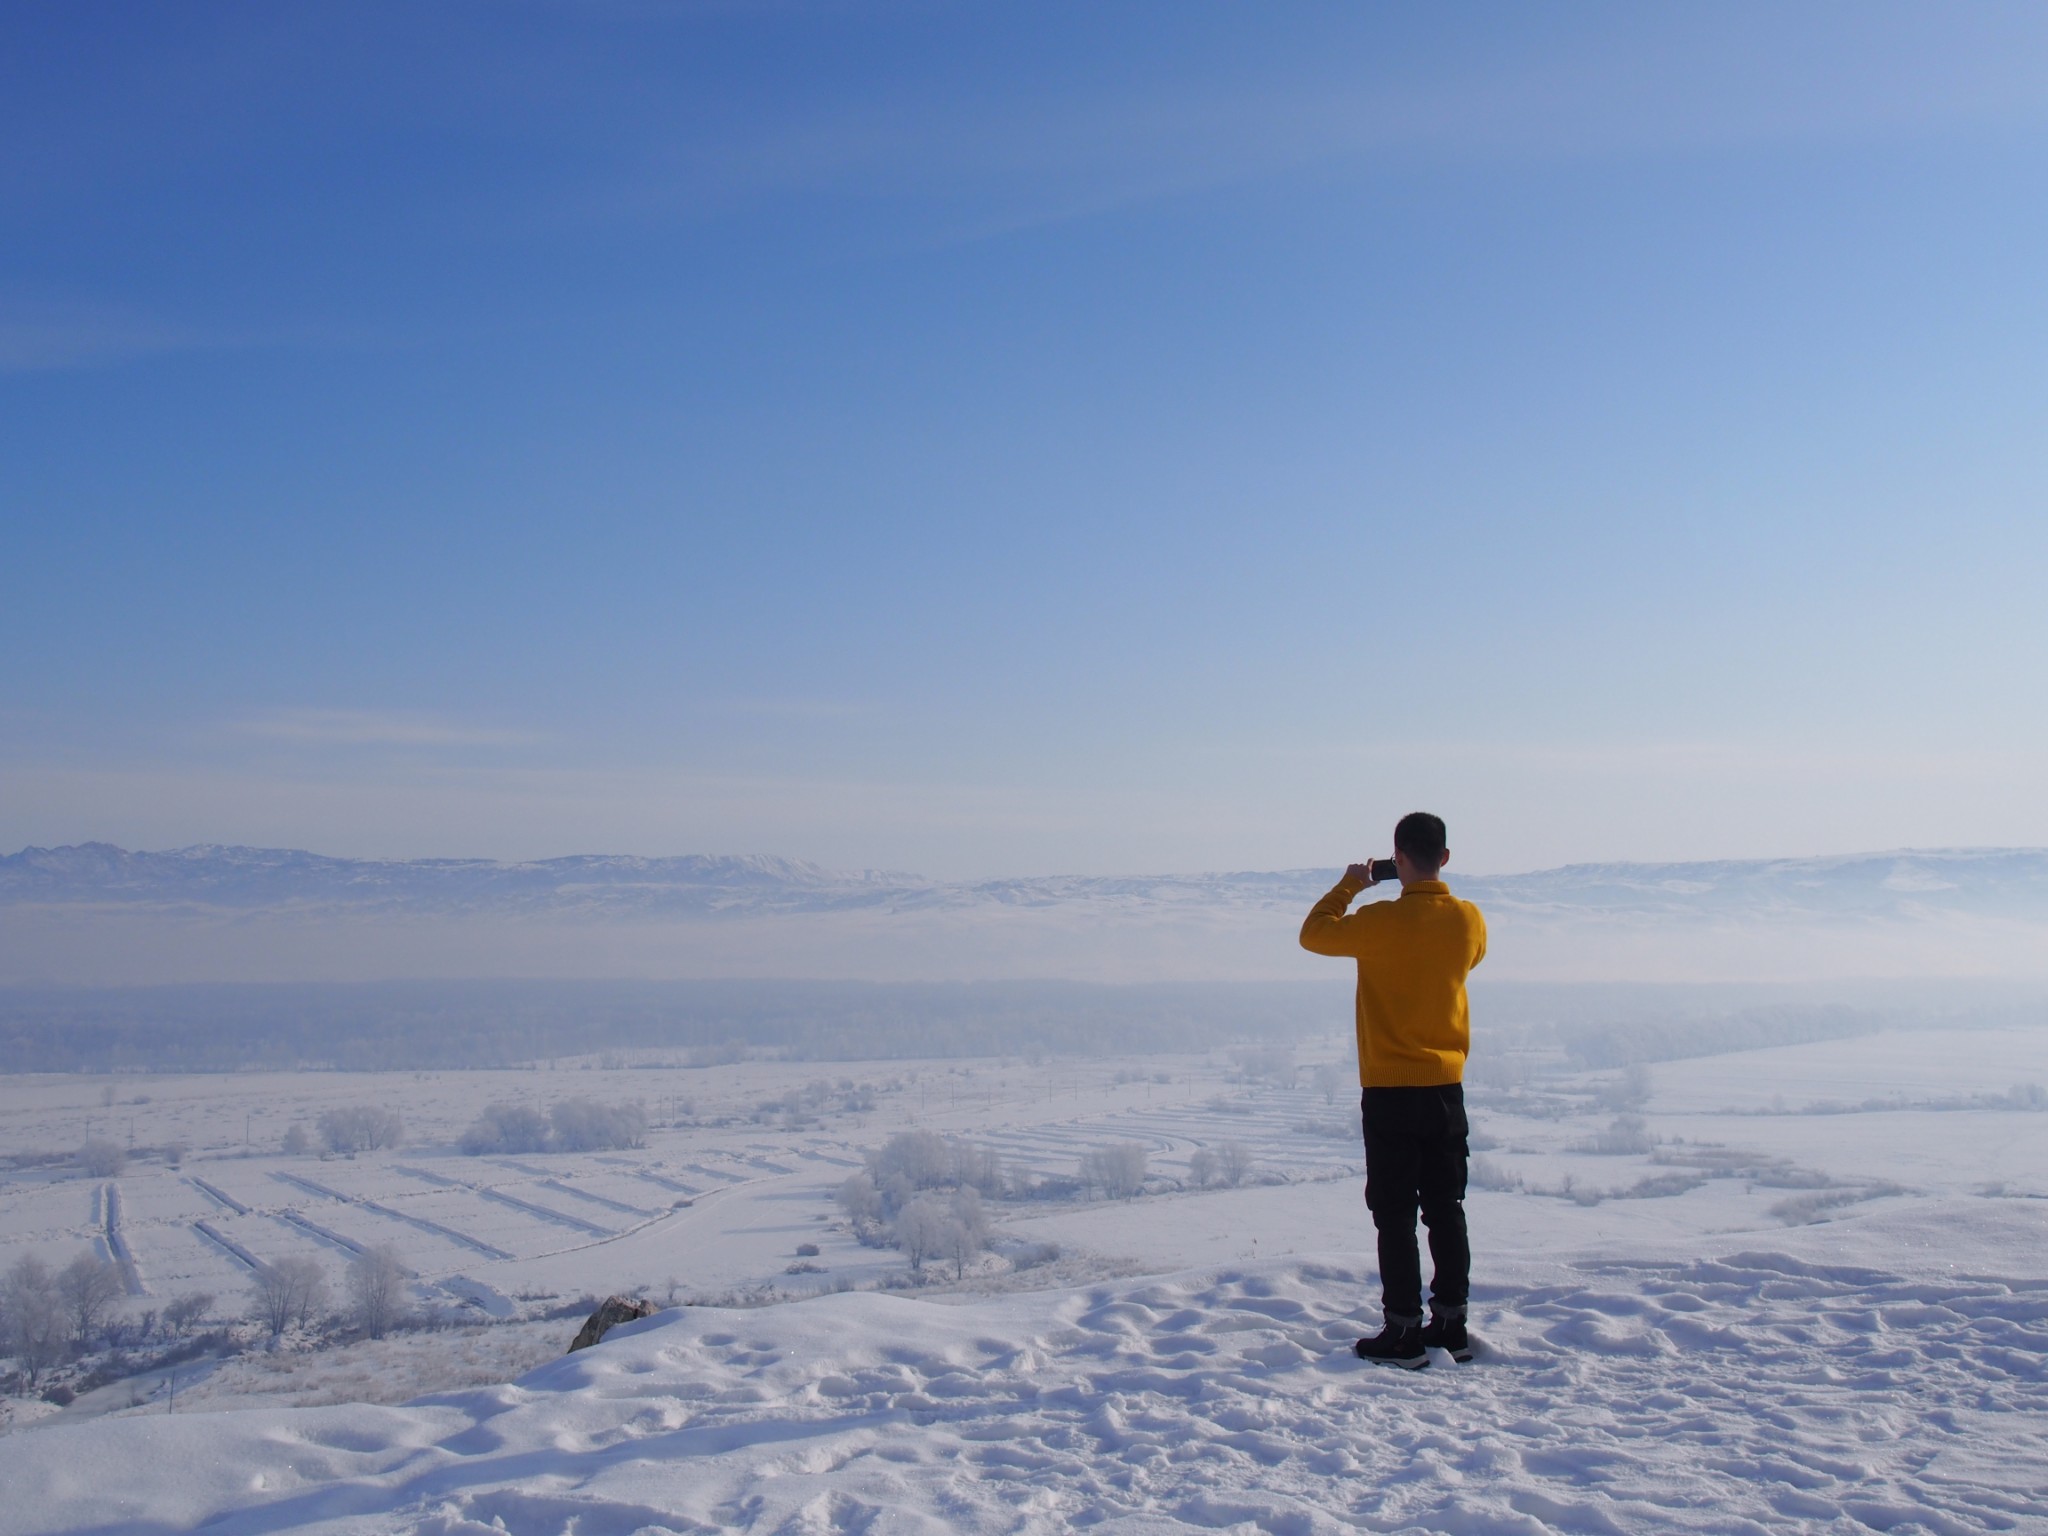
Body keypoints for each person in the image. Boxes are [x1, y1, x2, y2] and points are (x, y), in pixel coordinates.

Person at [1299, 811, 1487, 1369]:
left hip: (1389, 1091)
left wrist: (1354, 883)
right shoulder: (1469, 920)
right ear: (1445, 858)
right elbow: (1469, 959)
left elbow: (1314, 932)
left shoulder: (1379, 922)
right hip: (1446, 1089)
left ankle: (1402, 1332)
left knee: (1395, 1214)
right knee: (1446, 1208)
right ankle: (1450, 1323)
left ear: (1397, 858)